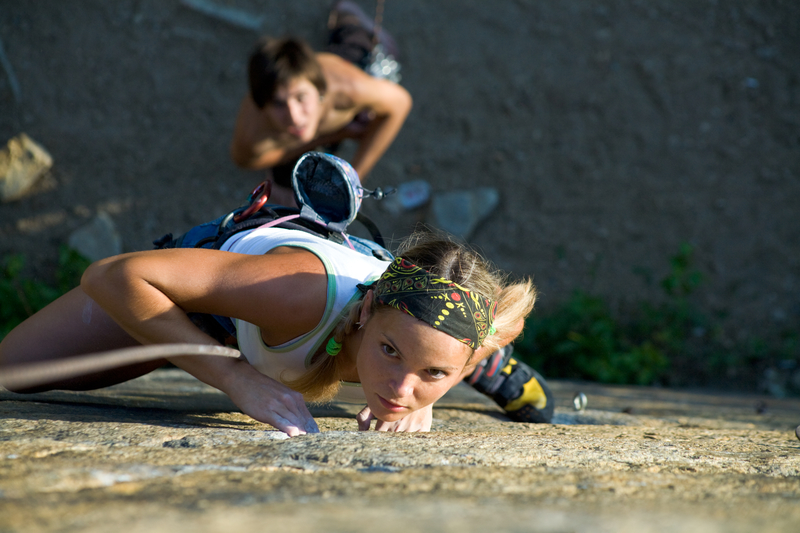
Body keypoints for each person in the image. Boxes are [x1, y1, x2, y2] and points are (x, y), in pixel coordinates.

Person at [230, 4, 412, 206]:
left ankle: (350, 17)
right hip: (329, 123)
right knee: (292, 179)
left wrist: (355, 182)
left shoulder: (348, 89)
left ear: (319, 90)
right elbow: (246, 160)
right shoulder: (253, 132)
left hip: (345, 67)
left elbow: (400, 103)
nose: (294, 116)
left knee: (361, 49)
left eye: (300, 97)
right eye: (279, 103)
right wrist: (337, 133)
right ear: (262, 105)